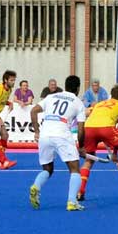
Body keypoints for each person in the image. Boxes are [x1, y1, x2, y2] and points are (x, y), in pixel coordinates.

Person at [28, 75, 87, 211]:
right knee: (75, 169)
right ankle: (72, 202)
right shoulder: (78, 103)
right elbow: (81, 129)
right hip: (62, 135)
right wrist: (82, 147)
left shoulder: (51, 96)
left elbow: (33, 111)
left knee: (48, 169)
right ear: (78, 88)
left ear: (65, 86)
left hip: (45, 135)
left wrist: (37, 131)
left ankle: (36, 186)